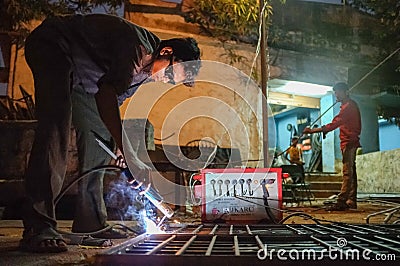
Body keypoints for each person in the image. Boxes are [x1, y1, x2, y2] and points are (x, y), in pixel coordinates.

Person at [21, 13, 201, 253]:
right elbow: (106, 93)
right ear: (166, 52)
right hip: (54, 45)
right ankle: (38, 225)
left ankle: (90, 222)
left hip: (83, 80)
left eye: (170, 81)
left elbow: (110, 106)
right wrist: (129, 151)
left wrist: (119, 149)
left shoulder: (144, 75)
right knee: (56, 128)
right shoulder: (137, 48)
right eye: (169, 74)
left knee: (101, 142)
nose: (164, 80)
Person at [303, 82, 361, 211]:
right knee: (351, 172)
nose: (336, 94)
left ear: (346, 92)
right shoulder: (347, 106)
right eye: (335, 92)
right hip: (348, 142)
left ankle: (342, 201)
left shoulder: (348, 107)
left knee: (347, 172)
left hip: (349, 142)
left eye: (338, 92)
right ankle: (351, 200)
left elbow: (333, 125)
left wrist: (312, 131)